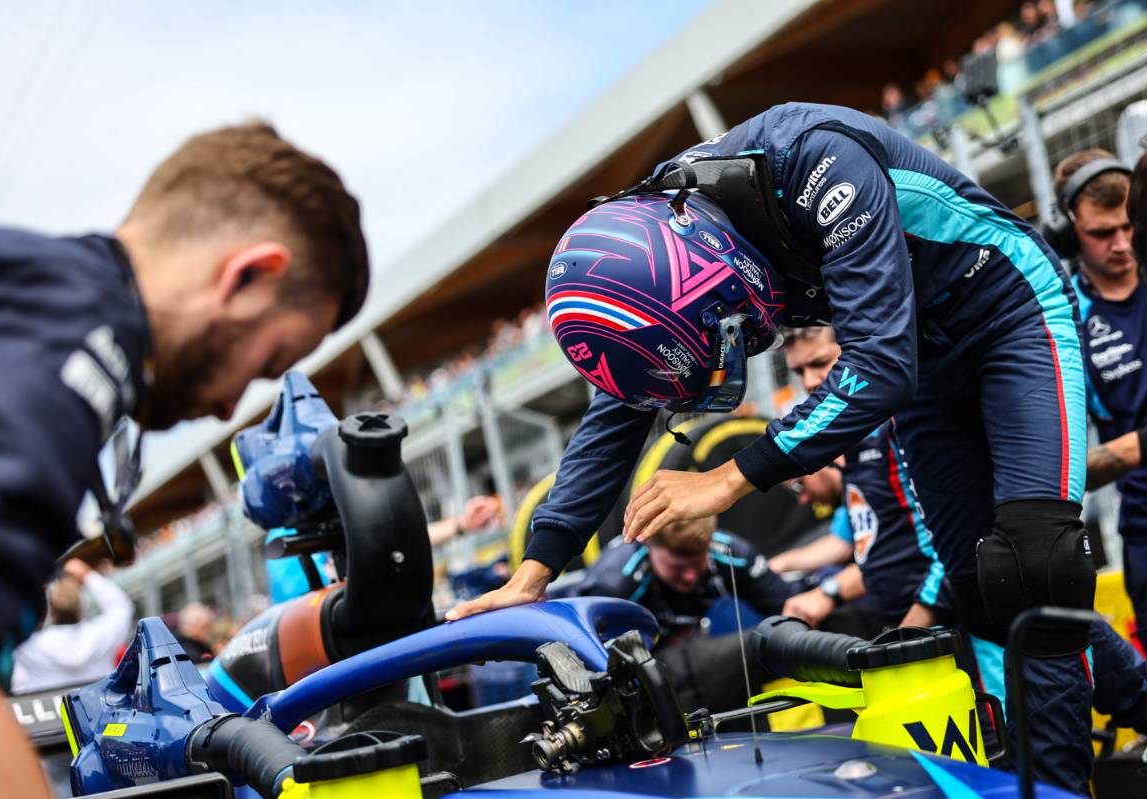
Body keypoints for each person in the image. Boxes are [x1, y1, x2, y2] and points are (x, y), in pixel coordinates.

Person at [450, 102, 1095, 792]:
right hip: (923, 361)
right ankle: (1022, 776)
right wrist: (535, 569)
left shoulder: (816, 161)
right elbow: (614, 417)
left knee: (1035, 563)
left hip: (1010, 314)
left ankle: (1069, 777)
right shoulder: (657, 259)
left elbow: (880, 366)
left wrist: (729, 477)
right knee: (978, 586)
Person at [0, 122, 368, 799]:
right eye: (266, 362)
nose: (230, 408)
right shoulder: (74, 338)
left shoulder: (11, 289)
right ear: (249, 276)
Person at [772, 327, 949, 631]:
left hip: (950, 621)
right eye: (799, 371)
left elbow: (951, 541)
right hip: (908, 619)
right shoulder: (854, 441)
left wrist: (914, 626)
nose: (809, 381)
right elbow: (870, 547)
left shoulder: (901, 423)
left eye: (819, 363)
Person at [1056, 150, 1147, 629]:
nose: (1121, 243)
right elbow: (1060, 469)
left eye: (1129, 226)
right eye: (1102, 232)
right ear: (1070, 233)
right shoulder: (1063, 323)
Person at [576, 515, 797, 649]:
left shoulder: (731, 553)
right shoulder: (612, 585)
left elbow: (788, 605)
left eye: (698, 563)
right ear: (649, 545)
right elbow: (586, 657)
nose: (690, 576)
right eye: (678, 567)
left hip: (688, 646)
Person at [10, 559, 134, 693]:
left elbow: (8, 619)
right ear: (81, 608)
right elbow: (120, 606)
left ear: (51, 612)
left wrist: (32, 583)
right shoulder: (103, 634)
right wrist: (87, 575)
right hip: (99, 704)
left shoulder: (29, 647)